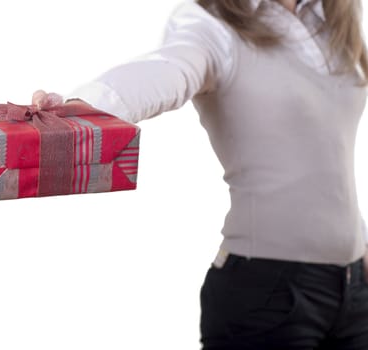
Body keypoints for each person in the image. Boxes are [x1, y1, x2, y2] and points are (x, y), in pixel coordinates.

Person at [33, 0, 368, 348]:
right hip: (267, 294)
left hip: (355, 284)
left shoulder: (332, 16)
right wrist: (85, 110)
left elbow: (328, 156)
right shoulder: (210, 24)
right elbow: (169, 68)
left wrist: (358, 240)